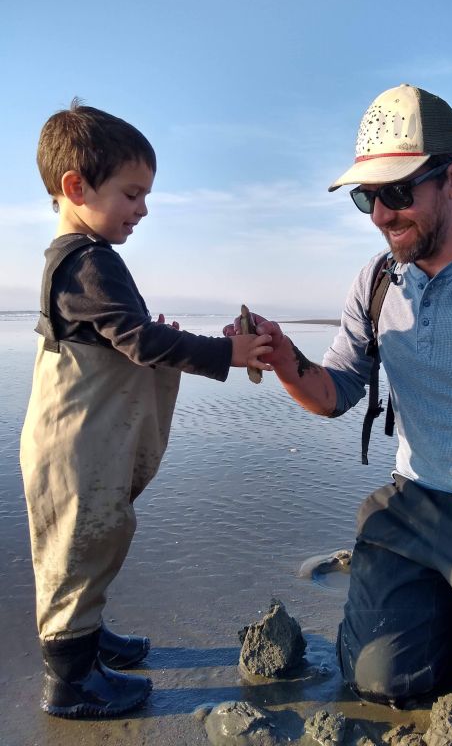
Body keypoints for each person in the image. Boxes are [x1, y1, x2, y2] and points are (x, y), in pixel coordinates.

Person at [225, 84, 452, 745]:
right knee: (379, 678)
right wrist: (286, 361)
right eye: (366, 198)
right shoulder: (375, 281)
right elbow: (336, 392)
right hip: (418, 504)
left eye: (396, 192)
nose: (379, 215)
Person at [20, 100, 273, 719]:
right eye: (131, 194)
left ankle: (88, 637)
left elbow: (124, 333)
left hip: (87, 439)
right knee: (78, 547)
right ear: (75, 187)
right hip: (74, 445)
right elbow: (138, 341)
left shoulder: (86, 259)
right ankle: (71, 681)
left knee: (100, 539)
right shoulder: (86, 260)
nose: (143, 208)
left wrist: (148, 334)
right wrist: (228, 352)